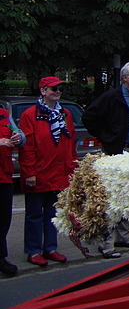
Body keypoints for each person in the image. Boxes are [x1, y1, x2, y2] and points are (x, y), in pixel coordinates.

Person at [83, 61, 129, 258]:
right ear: (124, 78)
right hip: (117, 152)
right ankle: (107, 242)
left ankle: (124, 235)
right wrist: (107, 137)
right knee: (112, 197)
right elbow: (89, 117)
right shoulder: (111, 97)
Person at [19, 77, 79, 266]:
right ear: (43, 91)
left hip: (59, 172)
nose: (58, 91)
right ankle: (34, 250)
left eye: (60, 88)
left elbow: (71, 143)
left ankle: (50, 248)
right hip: (39, 172)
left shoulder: (65, 114)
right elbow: (27, 146)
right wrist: (29, 172)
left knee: (54, 214)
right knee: (35, 214)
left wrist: (72, 168)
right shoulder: (30, 114)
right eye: (54, 88)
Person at [1, 106, 24, 276]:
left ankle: (1, 258)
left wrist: (18, 137)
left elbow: (20, 135)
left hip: (4, 175)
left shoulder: (3, 114)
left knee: (3, 220)